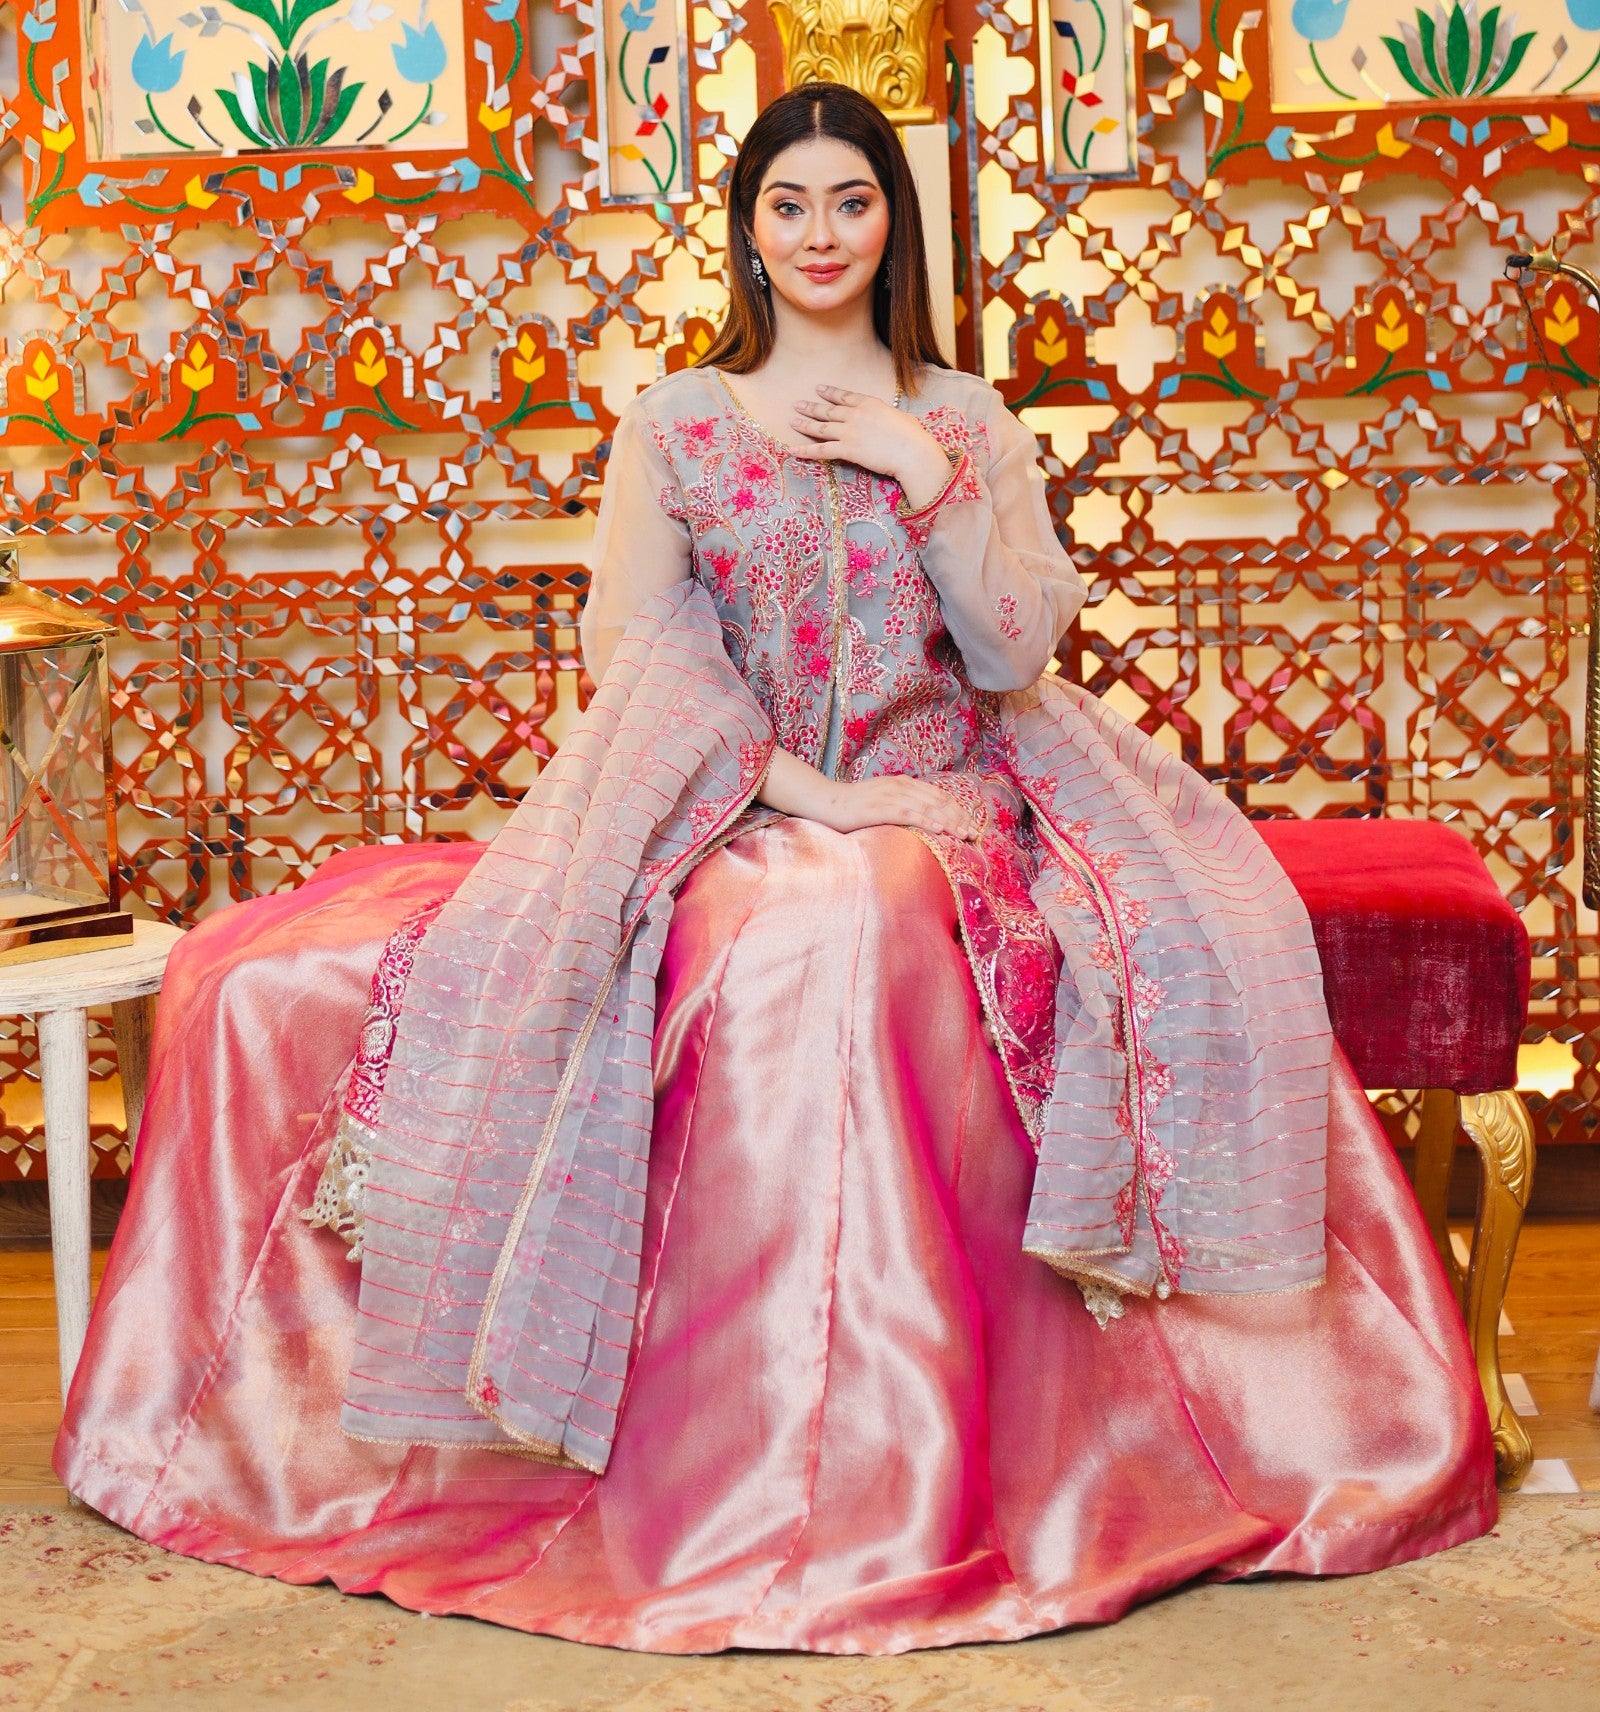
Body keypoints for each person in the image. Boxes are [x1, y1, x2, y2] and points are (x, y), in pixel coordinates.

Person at [55, 84, 1495, 1656]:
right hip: (737, 807)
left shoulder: (965, 416)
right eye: (789, 204)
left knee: (873, 914)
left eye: (851, 202)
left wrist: (919, 469)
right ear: (748, 231)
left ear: (895, 223)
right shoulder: (679, 424)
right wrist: (819, 799)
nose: (820, 234)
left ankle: (899, 1474)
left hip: (953, 803)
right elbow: (643, 667)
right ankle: (728, 1465)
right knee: (801, 906)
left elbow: (1014, 651)